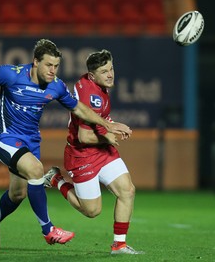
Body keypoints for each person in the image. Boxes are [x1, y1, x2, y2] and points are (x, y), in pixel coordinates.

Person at [0, 39, 132, 253]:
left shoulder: (56, 86)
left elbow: (78, 108)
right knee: (35, 169)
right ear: (35, 62)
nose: (53, 70)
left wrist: (107, 123)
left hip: (30, 141)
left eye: (56, 66)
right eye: (48, 65)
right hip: (4, 137)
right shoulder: (10, 74)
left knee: (17, 194)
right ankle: (48, 230)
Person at [44, 49, 143, 255]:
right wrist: (108, 134)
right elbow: (84, 137)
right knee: (92, 211)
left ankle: (119, 245)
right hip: (82, 155)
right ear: (92, 75)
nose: (110, 74)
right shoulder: (91, 96)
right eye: (105, 71)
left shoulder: (98, 86)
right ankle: (56, 180)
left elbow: (99, 122)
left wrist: (112, 126)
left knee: (127, 190)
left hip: (101, 151)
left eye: (111, 68)